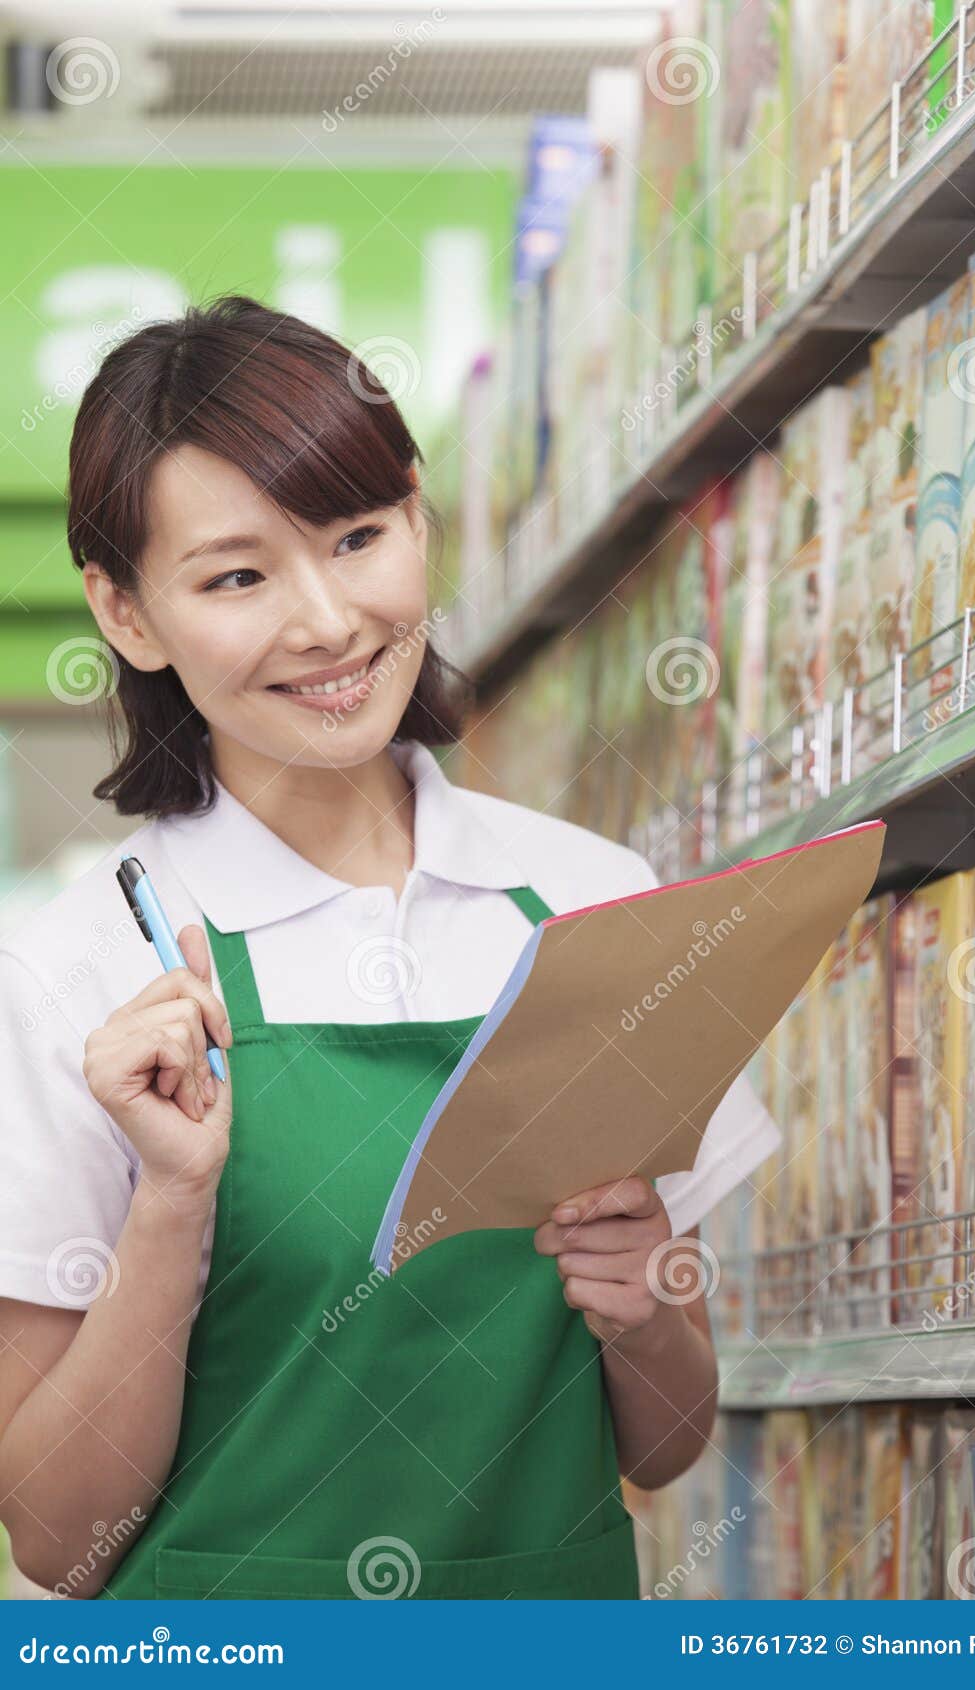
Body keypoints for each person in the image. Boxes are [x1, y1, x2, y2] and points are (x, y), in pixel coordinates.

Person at [0, 296, 778, 1601]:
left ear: (419, 519)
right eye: (238, 575)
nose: (327, 621)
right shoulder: (73, 970)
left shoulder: (594, 899)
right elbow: (52, 1535)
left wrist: (647, 1295)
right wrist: (170, 1210)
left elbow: (671, 1437)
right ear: (127, 613)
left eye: (358, 537)